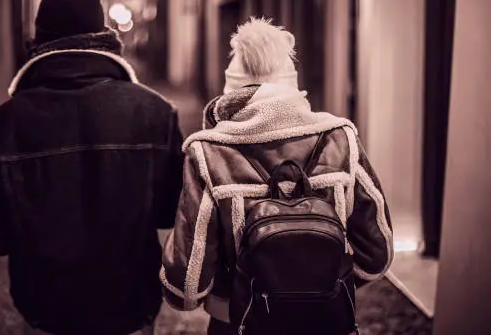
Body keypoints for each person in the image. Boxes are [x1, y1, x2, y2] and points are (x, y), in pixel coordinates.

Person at [0, 0, 184, 335]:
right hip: (129, 306)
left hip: (46, 310)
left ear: (37, 43)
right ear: (104, 36)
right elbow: (167, 212)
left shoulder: (3, 125)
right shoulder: (154, 113)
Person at [160, 17, 394, 334]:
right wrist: (318, 286)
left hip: (237, 323)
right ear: (292, 84)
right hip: (325, 321)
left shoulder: (208, 152)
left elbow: (186, 284)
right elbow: (377, 255)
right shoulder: (340, 140)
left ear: (231, 89)